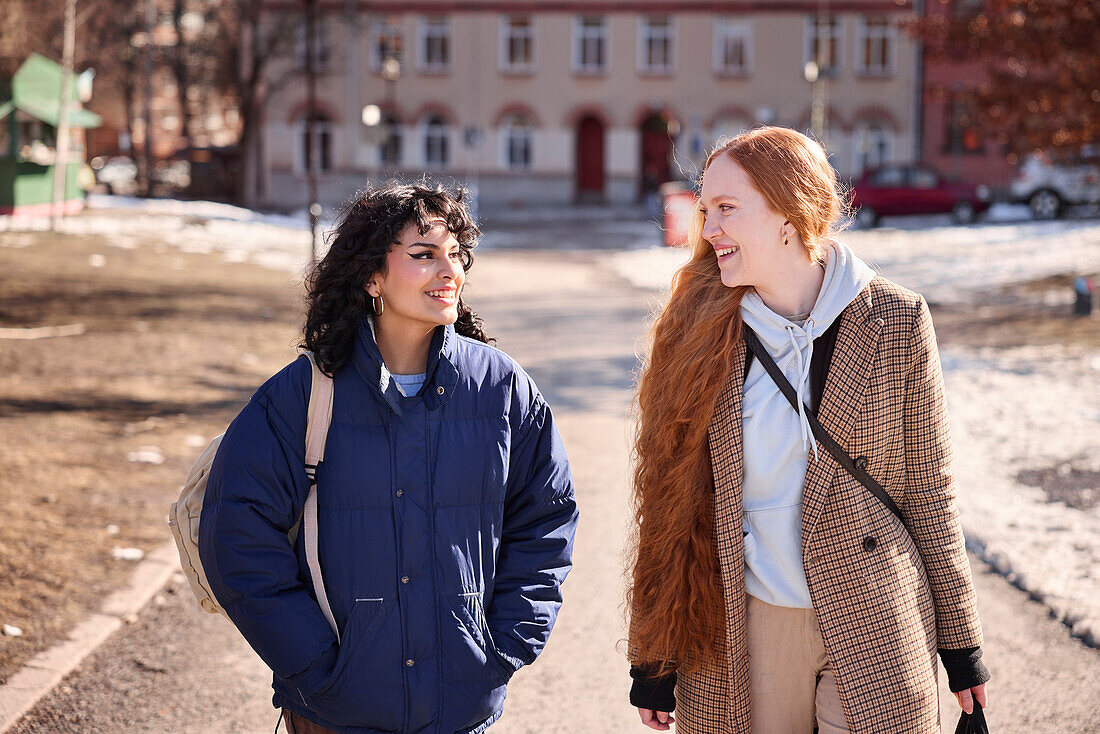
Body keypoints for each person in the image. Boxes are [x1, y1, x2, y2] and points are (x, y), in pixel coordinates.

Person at [626, 127, 990, 733]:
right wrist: (656, 650)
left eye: (727, 208)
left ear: (788, 212)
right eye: (706, 207)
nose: (707, 225)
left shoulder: (896, 319)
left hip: (875, 612)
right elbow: (668, 498)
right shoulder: (696, 331)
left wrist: (961, 643)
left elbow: (929, 490)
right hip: (748, 622)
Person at [198, 183, 578, 734]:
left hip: (460, 705)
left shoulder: (501, 388)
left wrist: (504, 647)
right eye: (423, 255)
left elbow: (546, 520)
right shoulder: (302, 396)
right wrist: (314, 663)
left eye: (456, 255)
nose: (448, 270)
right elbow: (236, 536)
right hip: (335, 710)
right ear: (372, 277)